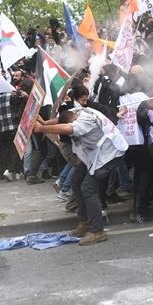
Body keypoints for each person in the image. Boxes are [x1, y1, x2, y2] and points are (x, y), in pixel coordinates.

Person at [33, 104, 128, 246]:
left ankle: (97, 231)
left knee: (88, 188)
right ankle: (84, 222)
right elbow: (62, 120)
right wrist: (45, 122)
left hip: (109, 154)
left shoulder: (83, 122)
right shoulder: (77, 111)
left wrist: (42, 128)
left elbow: (67, 128)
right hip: (95, 153)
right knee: (76, 181)